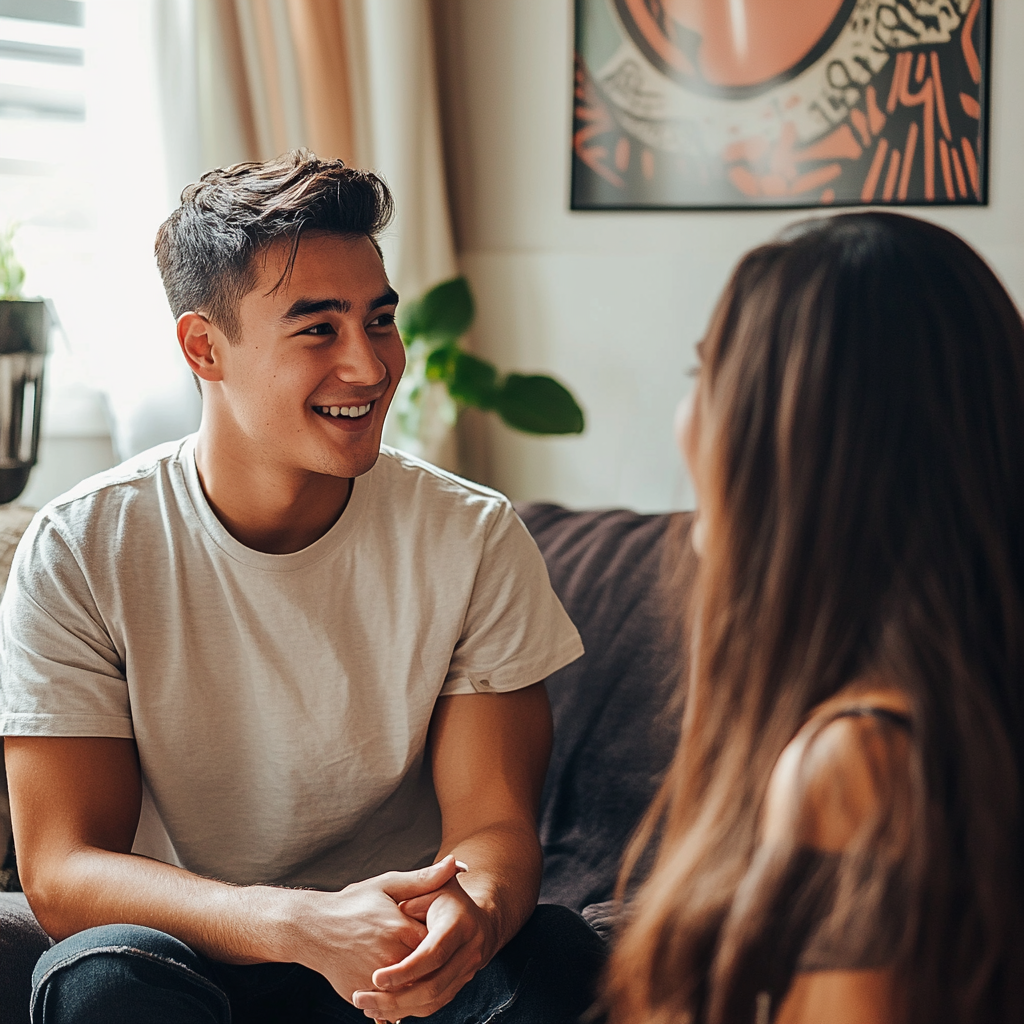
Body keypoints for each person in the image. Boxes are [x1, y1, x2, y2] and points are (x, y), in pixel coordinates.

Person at [0, 151, 605, 1024]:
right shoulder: (83, 547)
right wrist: (297, 923)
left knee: (554, 953)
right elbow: (60, 869)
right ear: (205, 347)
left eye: (380, 321)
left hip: (396, 965)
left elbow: (495, 827)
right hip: (193, 961)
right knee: (102, 977)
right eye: (318, 329)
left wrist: (465, 918)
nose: (368, 367)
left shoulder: (470, 537)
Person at [605, 212, 1024, 1024]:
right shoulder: (958, 713)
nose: (688, 418)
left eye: (708, 375)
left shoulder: (860, 763)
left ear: (795, 440)